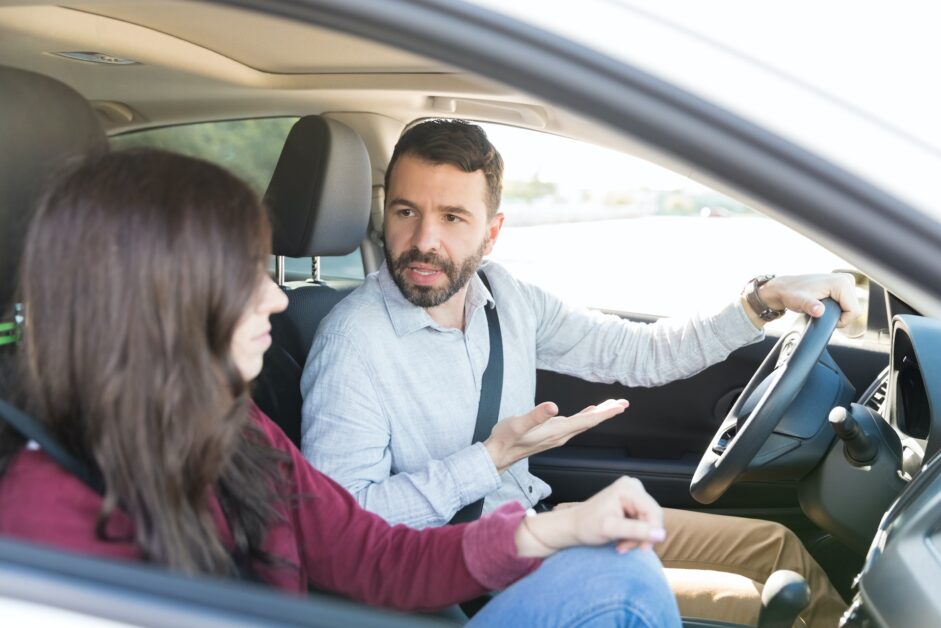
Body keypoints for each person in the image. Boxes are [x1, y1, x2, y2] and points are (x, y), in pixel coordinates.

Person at [0, 148, 682, 627]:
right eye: (243, 275)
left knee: (613, 567)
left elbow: (373, 554)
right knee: (622, 588)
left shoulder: (234, 430)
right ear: (158, 301)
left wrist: (560, 527)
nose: (272, 297)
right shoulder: (39, 530)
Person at [300, 120, 859, 626]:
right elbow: (342, 531)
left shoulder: (507, 298)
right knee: (756, 605)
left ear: (491, 233)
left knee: (777, 550)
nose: (424, 240)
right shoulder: (353, 343)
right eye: (406, 212)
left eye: (452, 217)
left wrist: (763, 301)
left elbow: (641, 353)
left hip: (542, 523)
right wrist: (487, 460)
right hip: (467, 576)